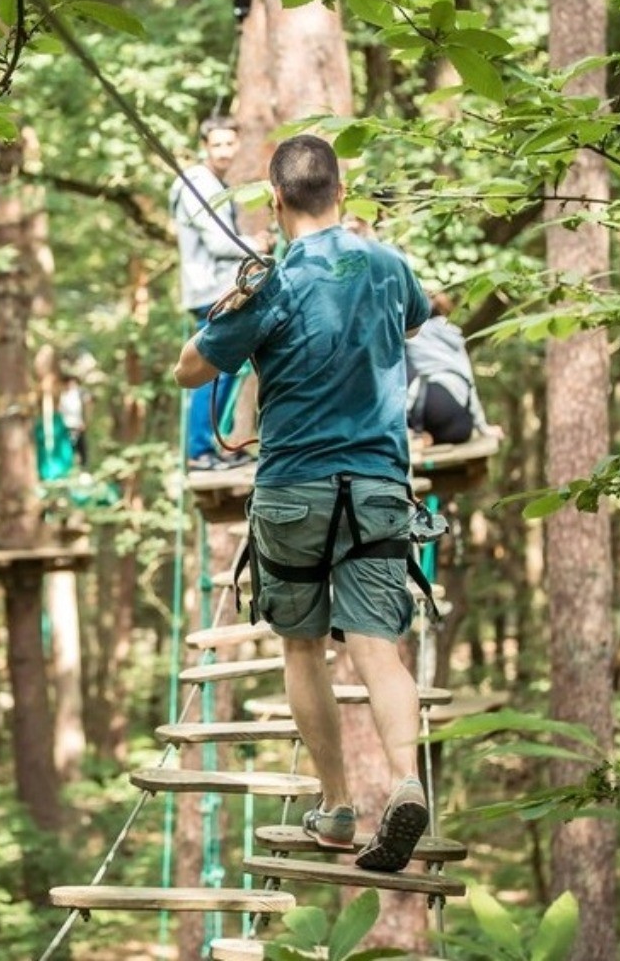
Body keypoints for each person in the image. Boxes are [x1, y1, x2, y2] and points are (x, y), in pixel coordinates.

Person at [174, 134, 433, 872]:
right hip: (380, 485)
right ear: (341, 192)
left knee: (302, 645)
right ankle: (407, 782)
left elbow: (189, 371)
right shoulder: (386, 265)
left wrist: (233, 307)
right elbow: (412, 319)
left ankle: (337, 806)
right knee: (378, 647)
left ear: (276, 199)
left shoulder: (271, 285)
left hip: (293, 489)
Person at [169, 114, 258, 470]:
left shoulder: (213, 183)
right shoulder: (198, 182)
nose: (223, 151)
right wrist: (255, 246)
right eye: (216, 144)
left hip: (219, 288)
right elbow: (217, 241)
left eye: (228, 143)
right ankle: (200, 451)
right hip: (210, 289)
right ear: (204, 147)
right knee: (211, 366)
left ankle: (213, 447)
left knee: (228, 367)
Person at [405, 292, 495, 447]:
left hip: (423, 403)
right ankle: (426, 437)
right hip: (457, 424)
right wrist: (483, 427)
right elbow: (469, 383)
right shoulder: (454, 336)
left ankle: (416, 435)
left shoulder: (409, 333)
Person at [58, 374, 89, 468]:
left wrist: (85, 421)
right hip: (65, 426)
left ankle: (83, 468)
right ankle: (69, 468)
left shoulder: (80, 393)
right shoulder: (63, 395)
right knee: (68, 448)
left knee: (81, 448)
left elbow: (88, 406)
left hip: (77, 425)